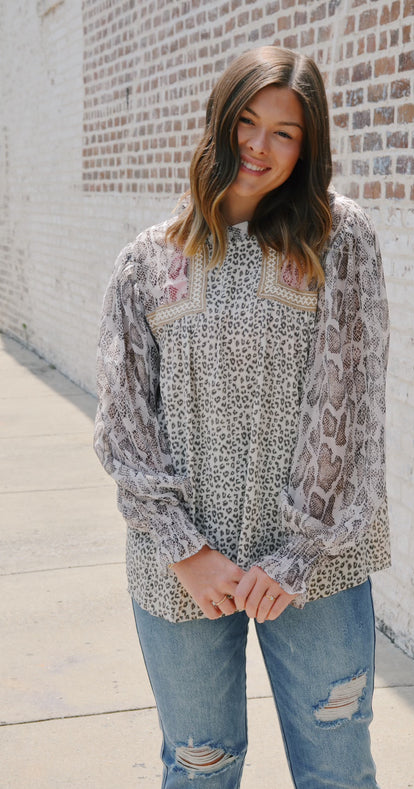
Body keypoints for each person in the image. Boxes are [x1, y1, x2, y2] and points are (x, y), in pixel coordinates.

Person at [94, 45, 390, 789]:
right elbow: (125, 425)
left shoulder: (336, 238)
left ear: (308, 145)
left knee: (337, 771)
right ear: (218, 122)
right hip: (183, 570)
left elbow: (348, 409)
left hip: (316, 566)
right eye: (247, 122)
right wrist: (186, 550)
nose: (259, 146)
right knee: (199, 769)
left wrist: (294, 556)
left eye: (285, 132)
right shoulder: (146, 262)